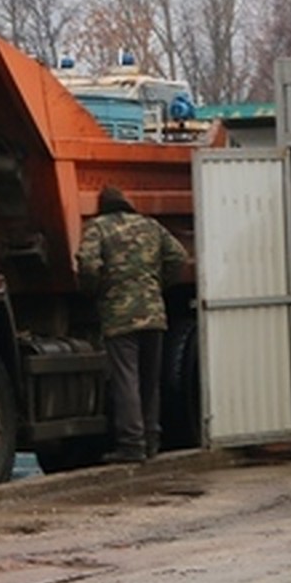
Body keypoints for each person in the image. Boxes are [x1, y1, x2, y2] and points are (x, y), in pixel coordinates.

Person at [75, 185, 190, 463]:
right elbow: (179, 257)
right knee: (150, 380)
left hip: (120, 316)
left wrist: (94, 290)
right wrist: (157, 283)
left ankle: (131, 444)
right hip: (154, 313)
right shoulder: (150, 226)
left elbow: (88, 266)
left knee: (126, 379)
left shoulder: (98, 228)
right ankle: (151, 440)